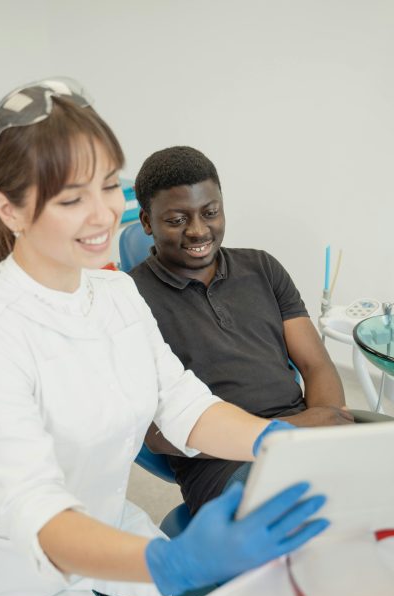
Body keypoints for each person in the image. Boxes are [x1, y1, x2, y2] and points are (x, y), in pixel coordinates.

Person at [0, 79, 328, 596]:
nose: (103, 216)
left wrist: (270, 441)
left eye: (106, 185)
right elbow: (36, 509)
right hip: (14, 575)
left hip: (116, 532)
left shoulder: (116, 291)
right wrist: (170, 565)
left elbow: (181, 403)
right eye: (72, 199)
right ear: (9, 208)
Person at [130, 146, 354, 515]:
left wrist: (324, 428)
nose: (198, 230)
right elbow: (157, 434)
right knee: (328, 516)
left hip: (305, 433)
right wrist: (291, 430)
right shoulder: (130, 299)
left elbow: (315, 364)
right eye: (176, 219)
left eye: (210, 212)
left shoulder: (262, 267)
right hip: (221, 464)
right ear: (147, 222)